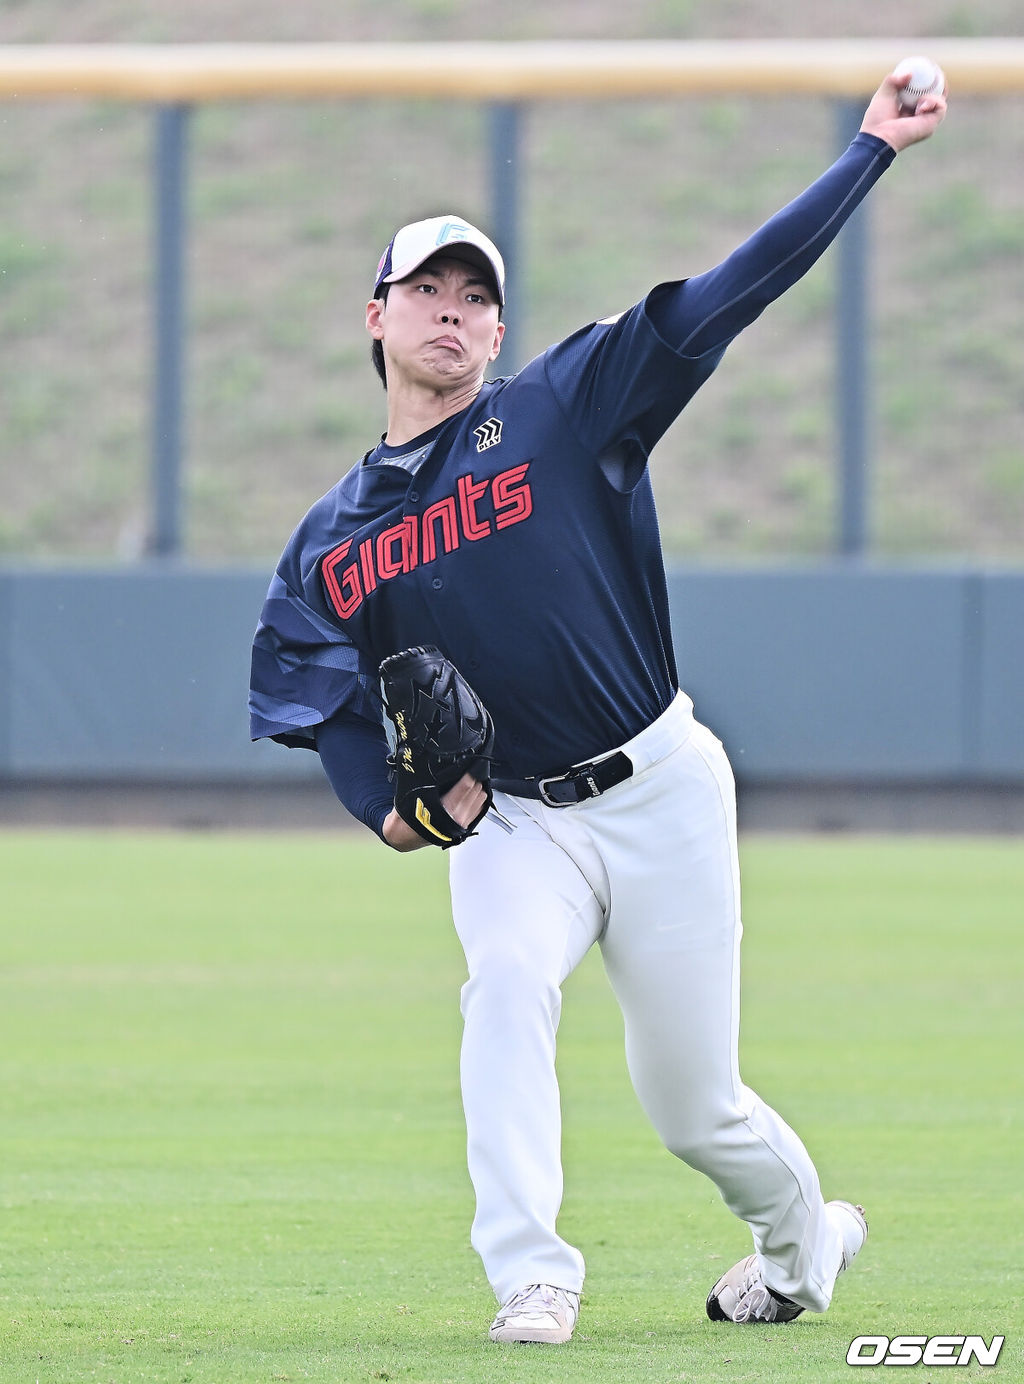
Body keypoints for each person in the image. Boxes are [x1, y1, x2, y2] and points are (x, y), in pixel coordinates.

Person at [249, 68, 946, 1344]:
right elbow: (315, 690)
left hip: (662, 785)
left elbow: (730, 289)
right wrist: (398, 815)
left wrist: (867, 153)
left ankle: (802, 1244)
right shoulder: (330, 539)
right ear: (376, 315)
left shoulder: (564, 407)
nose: (451, 315)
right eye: (427, 292)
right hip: (516, 820)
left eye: (475, 299)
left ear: (500, 335)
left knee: (694, 1107)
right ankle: (534, 1271)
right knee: (504, 982)